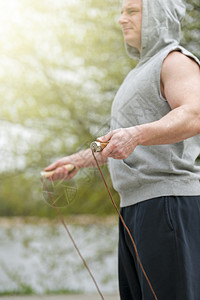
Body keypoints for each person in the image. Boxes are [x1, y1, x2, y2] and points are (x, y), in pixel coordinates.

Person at [45, 0, 200, 299]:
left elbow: (194, 114)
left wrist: (137, 134)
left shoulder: (175, 60)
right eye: (121, 11)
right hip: (135, 208)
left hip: (167, 203)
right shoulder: (138, 73)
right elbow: (122, 139)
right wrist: (75, 162)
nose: (121, 19)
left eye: (131, 11)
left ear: (158, 14)